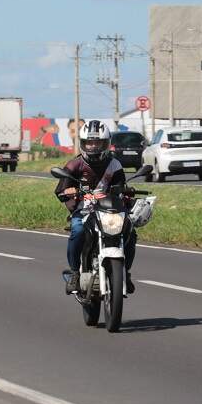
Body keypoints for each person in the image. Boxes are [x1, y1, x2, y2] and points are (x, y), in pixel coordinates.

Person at [54, 119, 136, 295]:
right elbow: (60, 190)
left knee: (130, 231)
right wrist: (68, 191)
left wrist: (127, 191)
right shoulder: (74, 164)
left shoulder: (114, 164)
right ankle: (75, 273)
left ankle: (125, 273)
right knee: (77, 231)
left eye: (97, 142)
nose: (93, 146)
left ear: (106, 144)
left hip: (109, 211)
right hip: (83, 210)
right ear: (83, 143)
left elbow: (122, 187)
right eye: (89, 142)